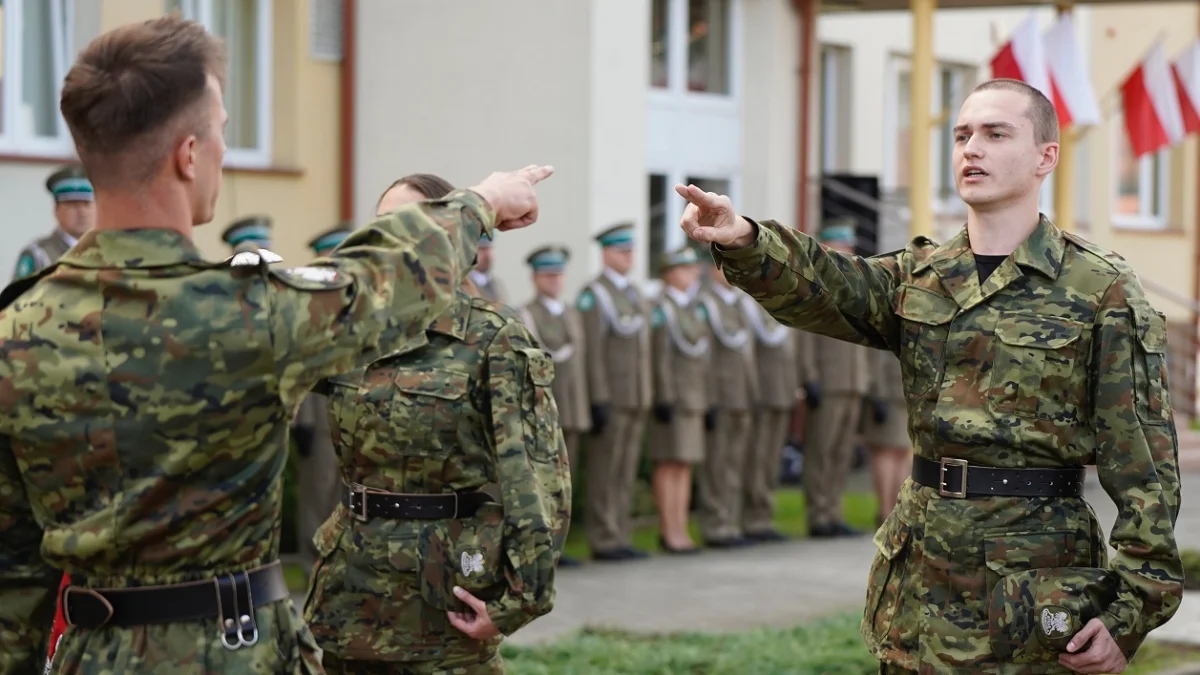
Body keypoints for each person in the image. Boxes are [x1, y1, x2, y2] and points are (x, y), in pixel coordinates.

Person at [0, 15, 553, 675]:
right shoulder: (252, 313)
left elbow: (13, 569)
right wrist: (483, 201)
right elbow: (382, 279)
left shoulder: (17, 329)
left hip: (92, 656)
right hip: (233, 651)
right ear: (189, 154)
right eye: (223, 132)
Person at [678, 78, 1183, 674]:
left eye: (997, 134)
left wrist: (1130, 612)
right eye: (963, 134)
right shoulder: (922, 276)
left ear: (1046, 155)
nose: (973, 148)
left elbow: (1144, 463)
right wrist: (743, 238)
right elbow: (827, 284)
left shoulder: (1100, 288)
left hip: (1031, 578)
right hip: (920, 572)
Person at [303, 174, 570, 674]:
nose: (393, 238)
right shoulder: (349, 330)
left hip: (443, 599)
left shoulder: (493, 336)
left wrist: (520, 599)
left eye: (412, 224)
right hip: (350, 593)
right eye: (384, 226)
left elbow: (535, 476)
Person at [576, 223, 653, 561]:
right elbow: (592, 350)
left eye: (631, 251)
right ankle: (603, 537)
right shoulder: (595, 294)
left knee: (625, 469)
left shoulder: (634, 293)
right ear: (606, 254)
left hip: (636, 394)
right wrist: (598, 397)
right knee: (605, 470)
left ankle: (620, 532)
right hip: (612, 395)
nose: (629, 257)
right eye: (622, 251)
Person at [518, 244, 590, 568]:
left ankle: (560, 542)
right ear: (535, 278)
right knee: (543, 477)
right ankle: (541, 544)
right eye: (548, 275)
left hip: (572, 405)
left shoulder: (571, 312)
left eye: (558, 274)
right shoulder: (528, 314)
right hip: (544, 409)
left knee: (566, 480)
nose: (555, 281)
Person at [292, 222, 357, 573]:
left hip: (347, 415)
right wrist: (301, 419)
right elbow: (299, 363)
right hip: (316, 418)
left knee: (341, 494)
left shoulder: (352, 300)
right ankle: (310, 560)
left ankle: (338, 560)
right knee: (316, 493)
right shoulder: (310, 303)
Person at [802, 219, 874, 539]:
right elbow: (804, 334)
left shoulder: (854, 285)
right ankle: (818, 514)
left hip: (852, 381)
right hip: (828, 381)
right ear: (826, 246)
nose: (848, 251)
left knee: (842, 452)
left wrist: (866, 381)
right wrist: (809, 377)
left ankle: (833, 510)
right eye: (842, 245)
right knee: (822, 450)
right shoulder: (812, 284)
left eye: (850, 246)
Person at [648, 246, 709, 554]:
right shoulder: (662, 308)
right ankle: (668, 529)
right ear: (669, 274)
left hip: (693, 397)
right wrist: (664, 395)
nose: (693, 274)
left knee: (684, 465)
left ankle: (680, 528)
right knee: (668, 463)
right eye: (685, 269)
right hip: (672, 398)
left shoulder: (692, 307)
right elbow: (659, 356)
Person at [696, 262, 758, 549]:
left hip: (742, 394)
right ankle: (716, 524)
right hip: (720, 395)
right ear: (712, 269)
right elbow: (703, 356)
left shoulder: (740, 302)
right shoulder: (705, 304)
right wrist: (707, 397)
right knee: (717, 464)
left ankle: (731, 521)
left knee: (735, 462)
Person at [10, 164, 96, 280]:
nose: (81, 212)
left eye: (86, 204)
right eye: (72, 204)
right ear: (57, 210)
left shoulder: (106, 251)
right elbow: (18, 296)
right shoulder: (38, 255)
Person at [862, 347, 912, 527]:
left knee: (888, 453)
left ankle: (887, 513)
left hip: (889, 393)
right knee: (896, 453)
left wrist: (876, 393)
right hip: (901, 391)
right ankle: (894, 513)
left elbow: (876, 358)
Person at [470, 232, 508, 304]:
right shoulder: (461, 285)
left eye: (489, 248)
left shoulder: (498, 284)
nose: (487, 255)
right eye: (481, 249)